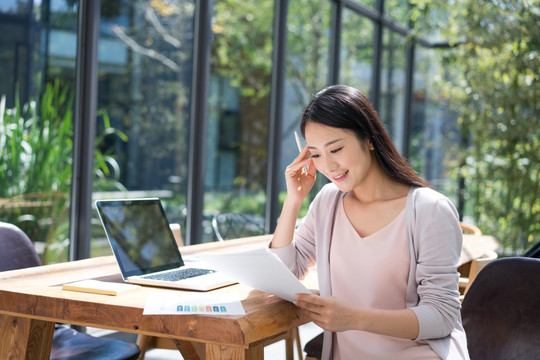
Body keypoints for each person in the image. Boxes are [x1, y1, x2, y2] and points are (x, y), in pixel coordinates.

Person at [269, 85, 469, 359]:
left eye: (336, 149)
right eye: (315, 154)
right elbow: (285, 275)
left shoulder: (428, 209)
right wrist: (293, 201)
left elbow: (441, 317)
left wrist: (354, 319)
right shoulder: (328, 202)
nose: (328, 166)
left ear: (370, 139)